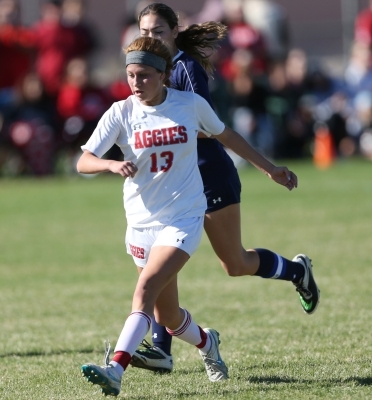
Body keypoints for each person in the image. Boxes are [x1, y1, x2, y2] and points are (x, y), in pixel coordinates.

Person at [78, 35, 300, 397]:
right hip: (140, 224)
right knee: (168, 316)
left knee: (145, 291)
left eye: (145, 75)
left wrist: (270, 168)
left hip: (184, 217)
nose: (136, 83)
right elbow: (83, 160)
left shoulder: (189, 105)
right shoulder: (121, 112)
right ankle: (207, 343)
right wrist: (110, 164)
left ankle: (115, 369)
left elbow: (227, 136)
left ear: (164, 74)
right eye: (131, 75)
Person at [129, 3, 320, 374]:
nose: (151, 39)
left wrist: (269, 169)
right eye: (145, 32)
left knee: (235, 263)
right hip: (171, 183)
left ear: (174, 31)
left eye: (158, 32)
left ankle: (297, 273)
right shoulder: (143, 72)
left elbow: (208, 126)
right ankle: (160, 349)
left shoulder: (185, 68)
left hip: (208, 174)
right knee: (158, 261)